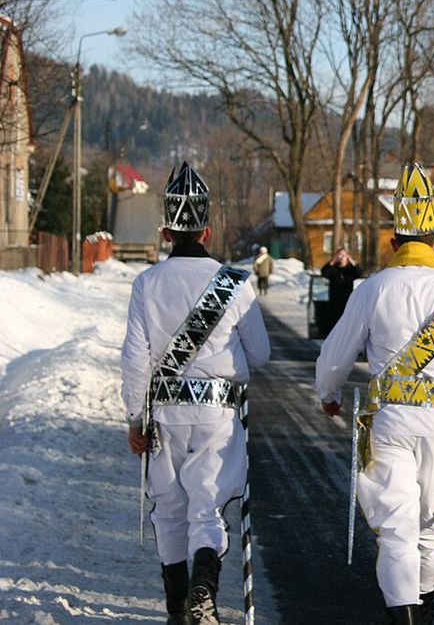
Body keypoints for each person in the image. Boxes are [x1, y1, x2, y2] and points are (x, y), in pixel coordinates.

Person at [315, 162, 434, 625]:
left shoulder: (371, 289)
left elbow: (334, 358)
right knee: (430, 529)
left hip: (391, 421)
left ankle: (406, 617)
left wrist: (329, 395)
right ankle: (424, 605)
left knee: (394, 528)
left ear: (394, 243)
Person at [121, 162, 270, 625]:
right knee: (208, 508)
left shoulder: (146, 284)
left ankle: (176, 609)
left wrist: (135, 420)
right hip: (216, 413)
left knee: (169, 511)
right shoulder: (235, 284)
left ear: (166, 231)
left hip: (164, 413)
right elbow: (260, 355)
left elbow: (135, 361)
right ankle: (205, 592)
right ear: (207, 230)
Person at [320, 247, 364, 336]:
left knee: (346, 322)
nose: (341, 258)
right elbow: (324, 273)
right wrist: (332, 261)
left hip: (347, 301)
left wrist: (352, 261)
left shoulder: (350, 270)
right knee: (333, 322)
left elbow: (359, 273)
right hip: (334, 302)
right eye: (340, 255)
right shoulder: (333, 269)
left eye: (343, 255)